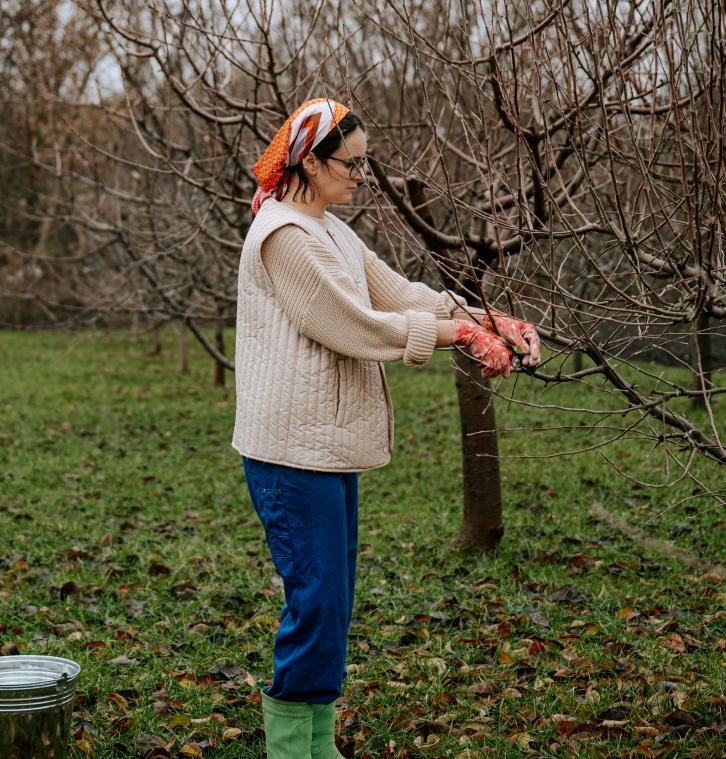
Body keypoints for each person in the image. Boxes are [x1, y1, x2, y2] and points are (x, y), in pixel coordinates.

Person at [231, 98, 542, 758]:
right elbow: (353, 324)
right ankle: (290, 753)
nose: (363, 175)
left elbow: (398, 292)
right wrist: (455, 334)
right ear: (310, 162)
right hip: (290, 454)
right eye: (352, 162)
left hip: (324, 447)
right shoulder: (283, 235)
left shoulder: (331, 230)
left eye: (366, 161)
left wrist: (489, 319)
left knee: (331, 607)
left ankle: (317, 747)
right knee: (315, 607)